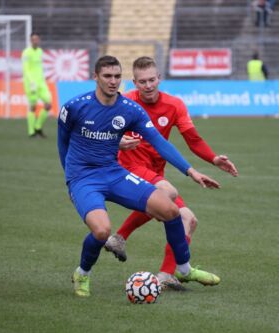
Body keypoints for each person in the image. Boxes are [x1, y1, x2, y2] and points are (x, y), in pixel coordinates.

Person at [57, 55, 221, 297]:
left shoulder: (130, 109)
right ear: (95, 77)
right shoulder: (74, 107)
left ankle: (183, 269)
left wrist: (190, 171)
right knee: (102, 231)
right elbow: (63, 143)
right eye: (107, 76)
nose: (112, 81)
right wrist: (70, 180)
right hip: (84, 179)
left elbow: (160, 143)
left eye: (116, 76)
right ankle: (82, 273)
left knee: (170, 209)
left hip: (114, 173)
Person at [105, 56, 239, 290]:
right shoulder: (124, 103)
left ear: (159, 78)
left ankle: (166, 275)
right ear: (134, 83)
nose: (148, 86)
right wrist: (117, 140)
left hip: (155, 171)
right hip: (130, 167)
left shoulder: (174, 105)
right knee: (166, 194)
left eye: (152, 80)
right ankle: (120, 237)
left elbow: (193, 139)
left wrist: (214, 159)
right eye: (142, 81)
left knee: (189, 219)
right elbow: (101, 134)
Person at [22, 32, 51, 138]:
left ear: (39, 40)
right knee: (33, 107)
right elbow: (26, 69)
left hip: (41, 83)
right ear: (30, 40)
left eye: (37, 39)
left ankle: (38, 127)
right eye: (33, 39)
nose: (35, 41)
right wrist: (31, 81)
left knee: (48, 104)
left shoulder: (40, 51)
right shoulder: (26, 53)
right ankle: (31, 132)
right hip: (31, 84)